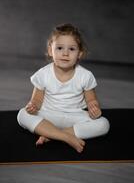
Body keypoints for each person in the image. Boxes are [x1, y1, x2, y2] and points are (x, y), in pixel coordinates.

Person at [17, 23, 110, 153]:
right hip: (49, 115)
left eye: (71, 49)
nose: (65, 53)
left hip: (74, 116)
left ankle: (51, 135)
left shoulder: (85, 75)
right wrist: (33, 106)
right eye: (60, 48)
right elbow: (37, 100)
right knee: (22, 115)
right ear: (50, 50)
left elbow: (91, 99)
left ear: (79, 53)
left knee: (103, 124)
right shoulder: (43, 74)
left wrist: (94, 108)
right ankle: (65, 137)